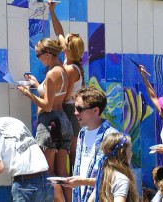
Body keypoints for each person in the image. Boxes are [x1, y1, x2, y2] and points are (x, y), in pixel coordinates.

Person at [18, 38, 73, 201]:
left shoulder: (50, 74)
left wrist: (28, 93)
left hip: (50, 123)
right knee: (62, 172)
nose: (38, 58)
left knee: (49, 172)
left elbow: (47, 105)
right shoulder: (63, 71)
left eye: (38, 55)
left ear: (47, 54)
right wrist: (36, 83)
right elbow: (58, 96)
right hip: (63, 120)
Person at [48, 1, 86, 173]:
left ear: (68, 49)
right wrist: (52, 11)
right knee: (69, 150)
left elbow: (67, 94)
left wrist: (48, 100)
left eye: (64, 45)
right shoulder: (71, 61)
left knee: (71, 151)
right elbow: (59, 32)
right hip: (68, 109)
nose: (61, 45)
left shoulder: (71, 69)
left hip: (70, 110)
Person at [72, 87, 119, 202]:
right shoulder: (82, 133)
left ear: (95, 110)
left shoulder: (111, 136)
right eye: (75, 108)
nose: (75, 113)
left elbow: (113, 178)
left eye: (79, 109)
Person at [63, 133, 139, 202]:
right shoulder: (122, 180)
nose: (132, 153)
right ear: (122, 152)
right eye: (130, 150)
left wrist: (82, 181)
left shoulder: (103, 177)